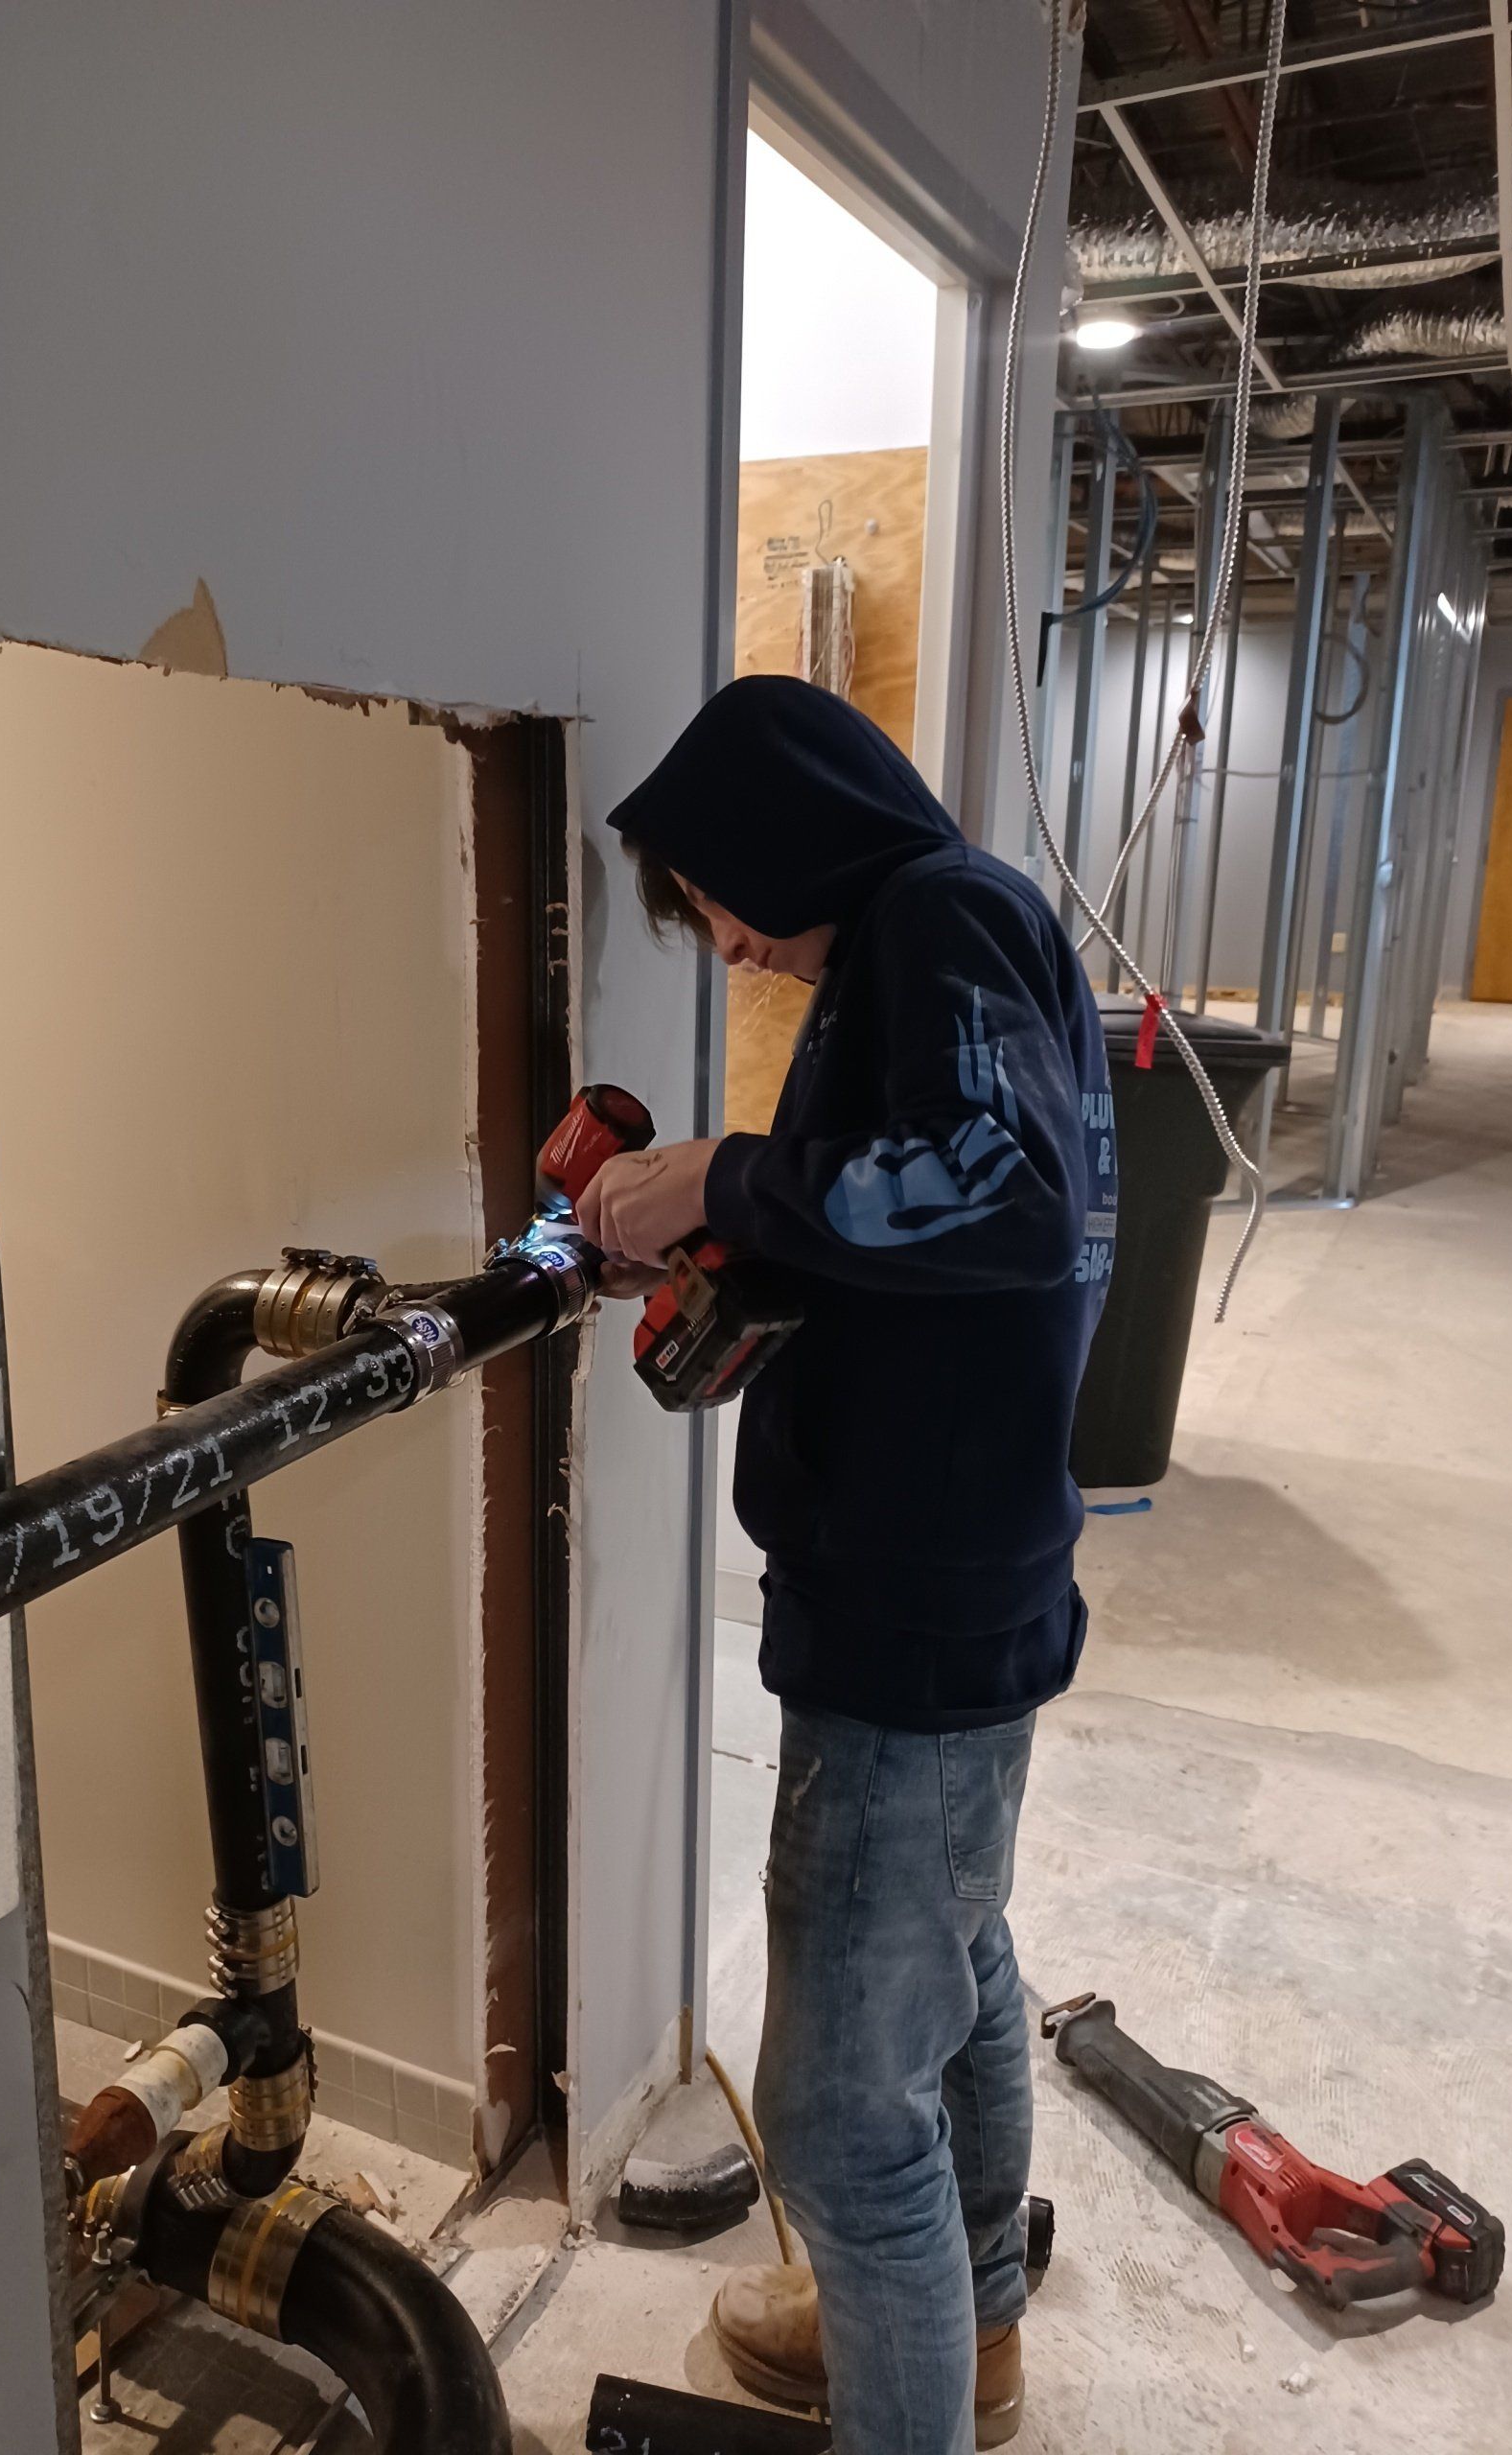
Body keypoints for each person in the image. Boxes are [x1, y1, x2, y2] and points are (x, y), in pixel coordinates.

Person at [577, 674, 1116, 2455]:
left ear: (773, 839)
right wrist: (730, 1239)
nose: (723, 944)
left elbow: (1004, 1190)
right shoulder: (928, 930)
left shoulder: (936, 917)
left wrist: (727, 1178)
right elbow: (923, 1223)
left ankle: (916, 2398)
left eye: (715, 900)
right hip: (952, 1579)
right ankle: (962, 2349)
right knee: (955, 1995)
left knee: (823, 2115)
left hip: (912, 1611)